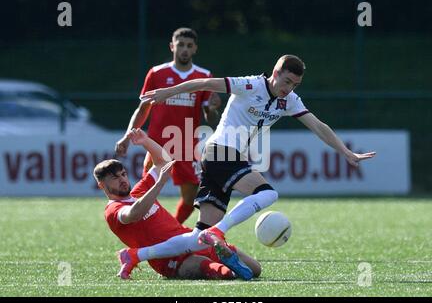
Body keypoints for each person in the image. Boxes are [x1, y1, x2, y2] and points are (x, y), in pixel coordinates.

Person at [139, 54, 377, 275]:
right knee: (268, 193)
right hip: (220, 152)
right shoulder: (250, 85)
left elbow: (318, 126)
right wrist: (166, 93)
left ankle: (136, 255)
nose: (289, 89)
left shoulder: (289, 101)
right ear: (275, 72)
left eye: (295, 84)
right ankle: (219, 232)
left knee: (198, 236)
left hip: (221, 159)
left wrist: (345, 152)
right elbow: (204, 83)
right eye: (286, 81)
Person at [96, 128, 260, 280]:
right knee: (224, 273)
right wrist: (159, 184)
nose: (122, 180)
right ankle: (224, 261)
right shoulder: (112, 210)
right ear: (102, 186)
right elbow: (134, 213)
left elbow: (164, 161)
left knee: (255, 269)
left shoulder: (139, 191)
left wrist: (146, 141)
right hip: (167, 259)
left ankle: (220, 250)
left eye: (123, 174)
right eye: (115, 178)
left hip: (192, 240)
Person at [115, 27, 221, 224]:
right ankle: (145, 232)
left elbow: (210, 117)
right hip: (157, 144)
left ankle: (170, 232)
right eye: (180, 45)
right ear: (172, 46)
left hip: (187, 147)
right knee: (144, 194)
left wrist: (213, 108)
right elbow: (143, 108)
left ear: (195, 49)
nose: (184, 50)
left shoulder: (204, 76)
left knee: (190, 199)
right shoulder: (157, 73)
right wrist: (127, 136)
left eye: (189, 46)